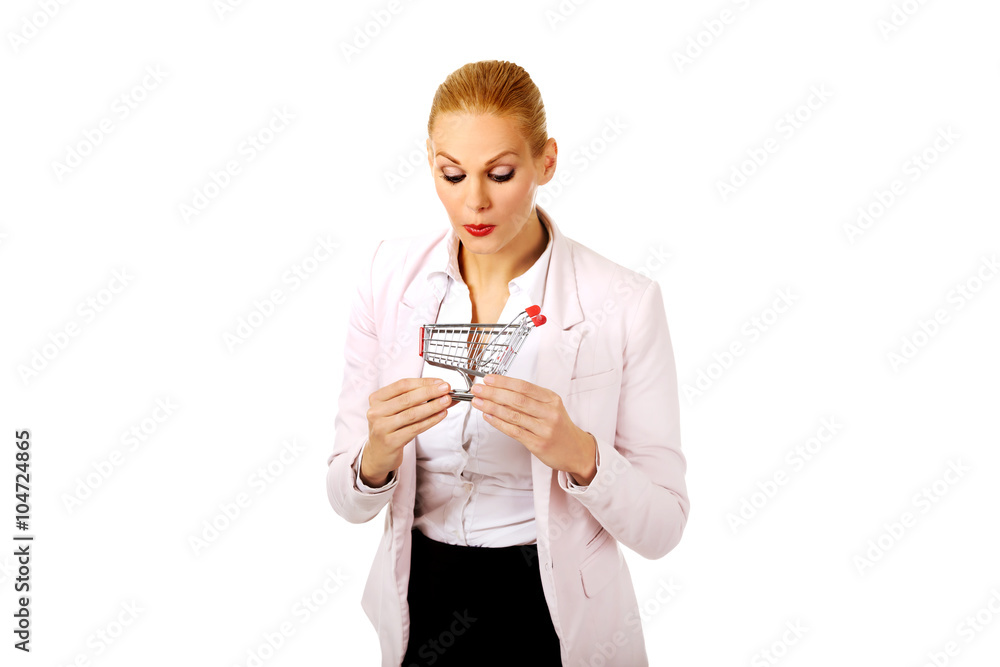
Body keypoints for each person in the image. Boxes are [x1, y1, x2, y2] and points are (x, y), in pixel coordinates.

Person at [326, 60, 689, 666]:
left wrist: (581, 454)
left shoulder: (624, 301)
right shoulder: (385, 278)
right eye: (452, 174)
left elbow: (663, 529)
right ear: (430, 162)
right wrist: (377, 454)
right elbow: (345, 500)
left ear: (546, 161)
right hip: (422, 598)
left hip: (552, 611)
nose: (474, 201)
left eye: (500, 173)